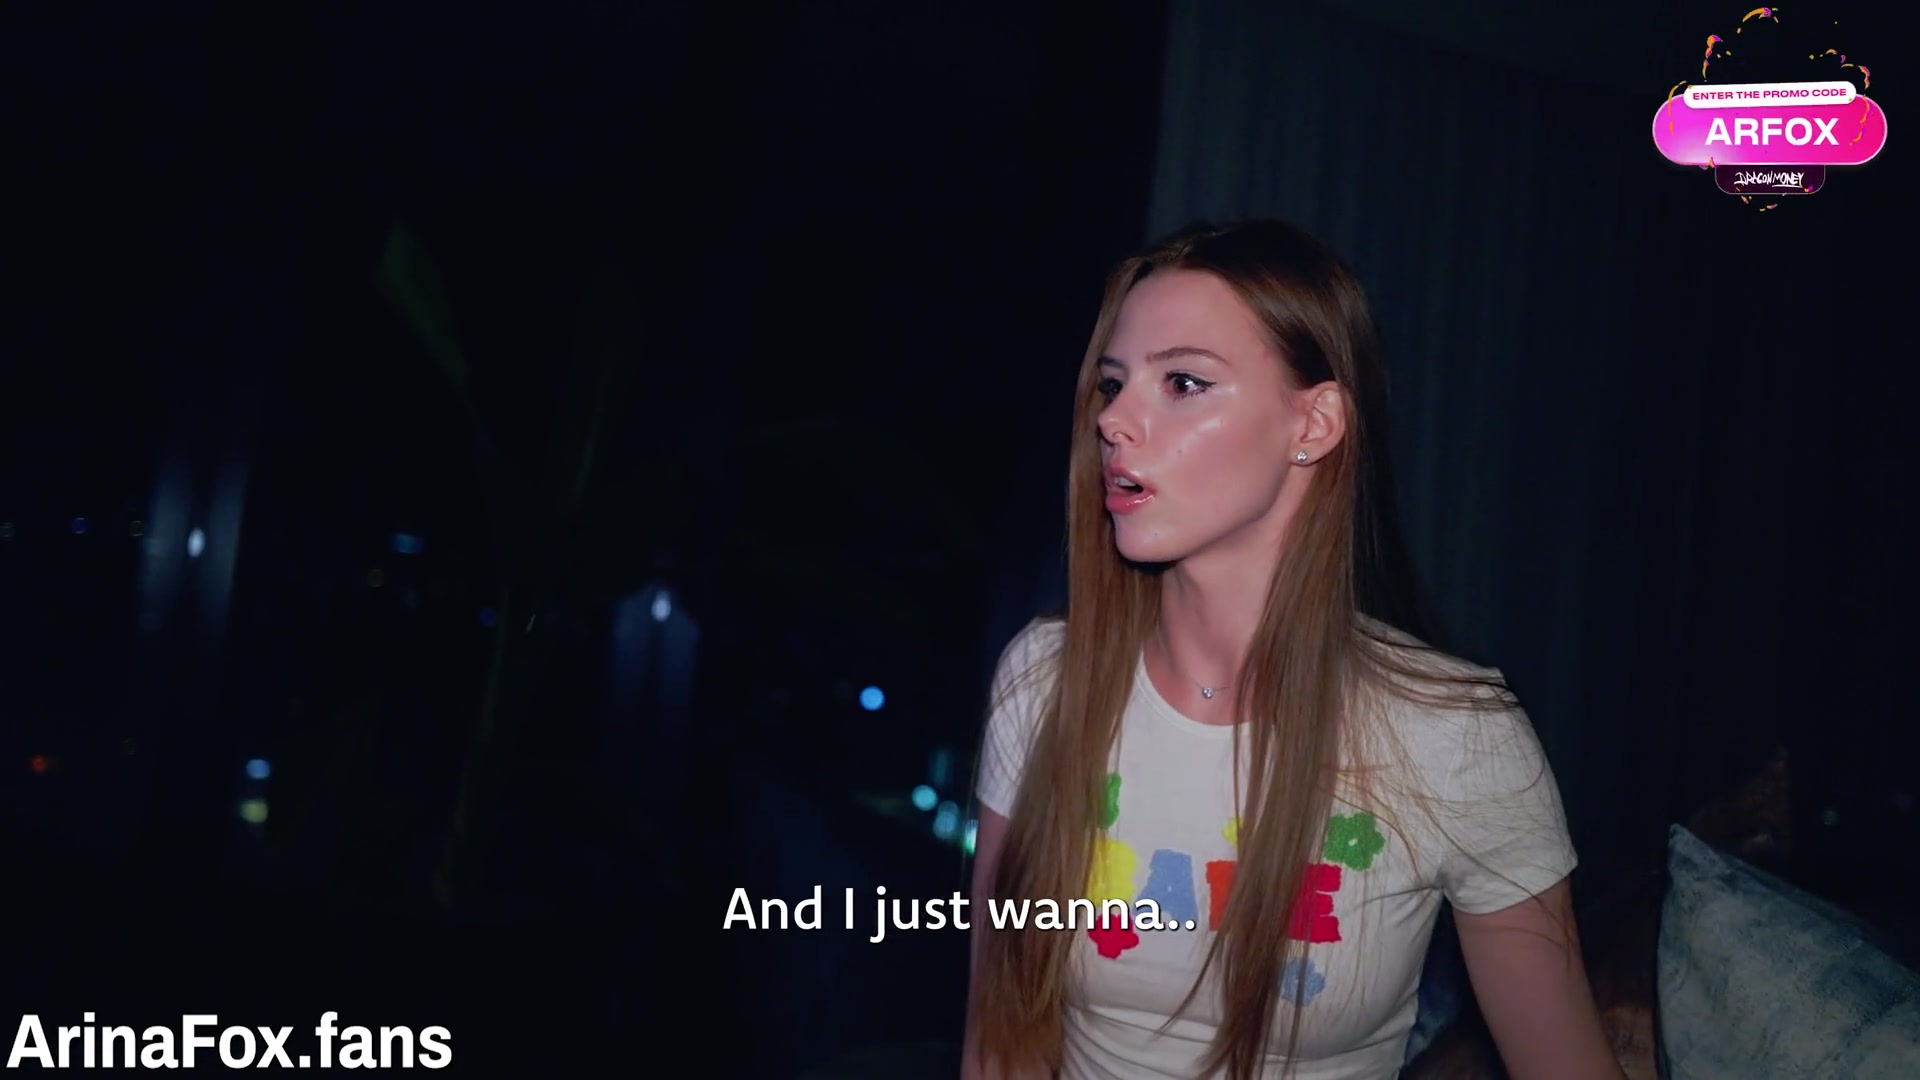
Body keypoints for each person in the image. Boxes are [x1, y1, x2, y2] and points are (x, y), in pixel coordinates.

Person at [961, 221, 1623, 1080]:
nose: (1114, 419)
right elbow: (1001, 1041)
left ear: (1313, 422)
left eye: (1184, 382)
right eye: (1113, 384)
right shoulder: (1045, 678)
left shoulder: (1456, 734)